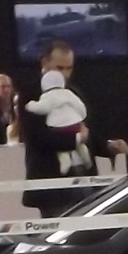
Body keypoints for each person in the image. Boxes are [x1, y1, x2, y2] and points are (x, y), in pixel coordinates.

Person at [20, 42, 90, 216]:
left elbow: (86, 129)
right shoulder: (30, 94)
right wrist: (76, 139)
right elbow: (37, 138)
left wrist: (108, 146)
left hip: (84, 178)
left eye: (69, 68)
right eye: (60, 68)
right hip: (52, 185)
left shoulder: (73, 92)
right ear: (44, 63)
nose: (65, 74)